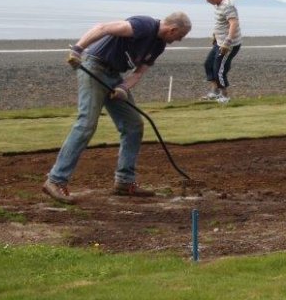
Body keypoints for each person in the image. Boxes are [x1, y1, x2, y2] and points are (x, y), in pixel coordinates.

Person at [41, 13, 192, 204]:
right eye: (179, 37)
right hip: (94, 67)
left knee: (133, 125)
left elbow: (138, 74)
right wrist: (78, 49)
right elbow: (102, 28)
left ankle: (124, 181)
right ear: (173, 29)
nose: (177, 40)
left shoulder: (158, 45)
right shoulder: (143, 25)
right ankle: (55, 180)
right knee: (86, 124)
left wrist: (122, 88)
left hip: (114, 76)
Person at [201, 0, 243, 104]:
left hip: (229, 44)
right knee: (208, 64)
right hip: (219, 42)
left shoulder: (228, 5)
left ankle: (224, 96)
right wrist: (215, 35)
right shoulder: (218, 5)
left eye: (208, 0)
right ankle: (215, 92)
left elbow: (233, 23)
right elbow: (221, 23)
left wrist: (227, 43)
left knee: (219, 69)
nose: (208, 2)